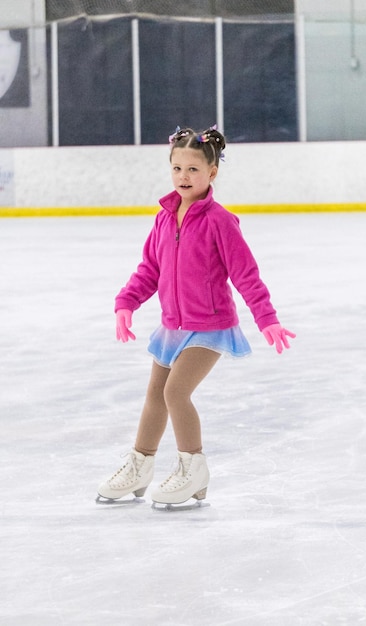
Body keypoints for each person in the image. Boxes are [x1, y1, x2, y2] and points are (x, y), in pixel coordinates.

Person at [97, 125, 295, 506]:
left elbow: (245, 274)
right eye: (177, 168)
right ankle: (140, 465)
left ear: (212, 173)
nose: (183, 177)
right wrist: (126, 303)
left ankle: (193, 469)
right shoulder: (164, 218)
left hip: (211, 326)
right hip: (173, 325)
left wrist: (266, 318)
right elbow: (149, 270)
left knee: (175, 392)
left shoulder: (220, 221)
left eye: (193, 170)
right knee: (155, 396)